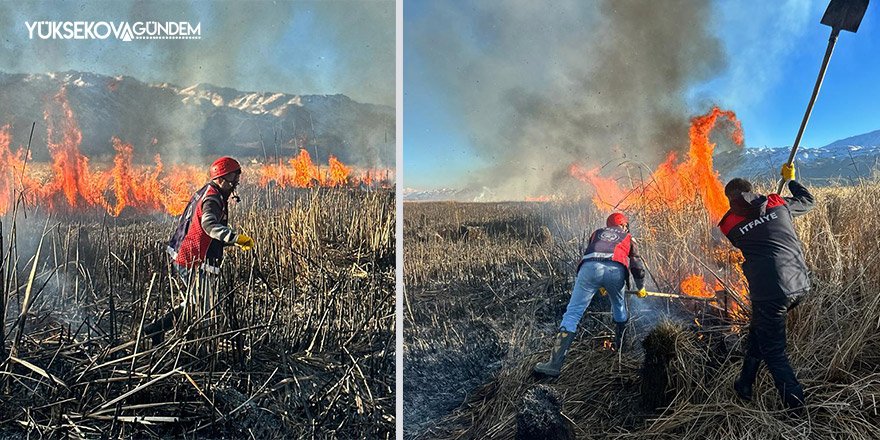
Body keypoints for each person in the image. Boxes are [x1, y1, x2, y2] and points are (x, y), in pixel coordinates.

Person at [719, 163, 814, 412]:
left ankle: (796, 406)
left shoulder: (728, 225)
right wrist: (791, 180)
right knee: (759, 331)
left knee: (774, 351)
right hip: (800, 283)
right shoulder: (777, 203)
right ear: (752, 189)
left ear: (729, 199)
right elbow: (808, 201)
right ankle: (745, 384)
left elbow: (744, 226)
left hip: (770, 293)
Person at [143, 156, 256, 344]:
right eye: (232, 180)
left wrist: (230, 242)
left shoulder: (210, 192)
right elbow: (209, 226)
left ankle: (157, 329)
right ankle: (198, 345)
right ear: (220, 178)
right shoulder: (212, 198)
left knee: (196, 302)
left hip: (186, 253)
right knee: (203, 306)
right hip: (192, 258)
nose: (235, 184)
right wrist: (235, 238)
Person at [534, 212, 647, 377]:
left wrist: (599, 283)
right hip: (615, 271)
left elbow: (594, 254)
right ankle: (621, 352)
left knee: (573, 313)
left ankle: (554, 364)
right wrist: (641, 286)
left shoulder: (597, 233)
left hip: (589, 269)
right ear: (623, 225)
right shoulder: (627, 236)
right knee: (619, 307)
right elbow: (636, 264)